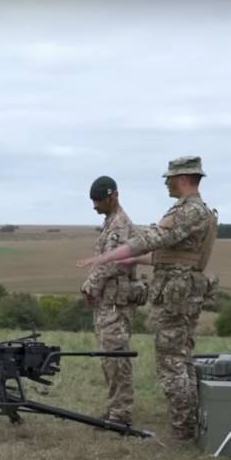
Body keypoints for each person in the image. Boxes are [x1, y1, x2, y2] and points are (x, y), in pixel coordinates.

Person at [78, 156, 217, 440]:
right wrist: (139, 260)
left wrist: (110, 260)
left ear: (183, 178)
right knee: (179, 360)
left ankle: (183, 431)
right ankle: (187, 425)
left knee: (171, 363)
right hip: (179, 291)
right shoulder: (194, 211)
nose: (166, 182)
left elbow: (154, 238)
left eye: (169, 177)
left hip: (174, 295)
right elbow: (169, 252)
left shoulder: (188, 212)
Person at [80, 176, 145, 426]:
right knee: (109, 358)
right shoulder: (110, 222)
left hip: (116, 304)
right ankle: (115, 407)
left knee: (117, 359)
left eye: (99, 201)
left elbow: (112, 262)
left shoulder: (119, 226)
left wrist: (89, 287)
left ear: (114, 196)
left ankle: (121, 413)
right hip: (108, 302)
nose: (95, 206)